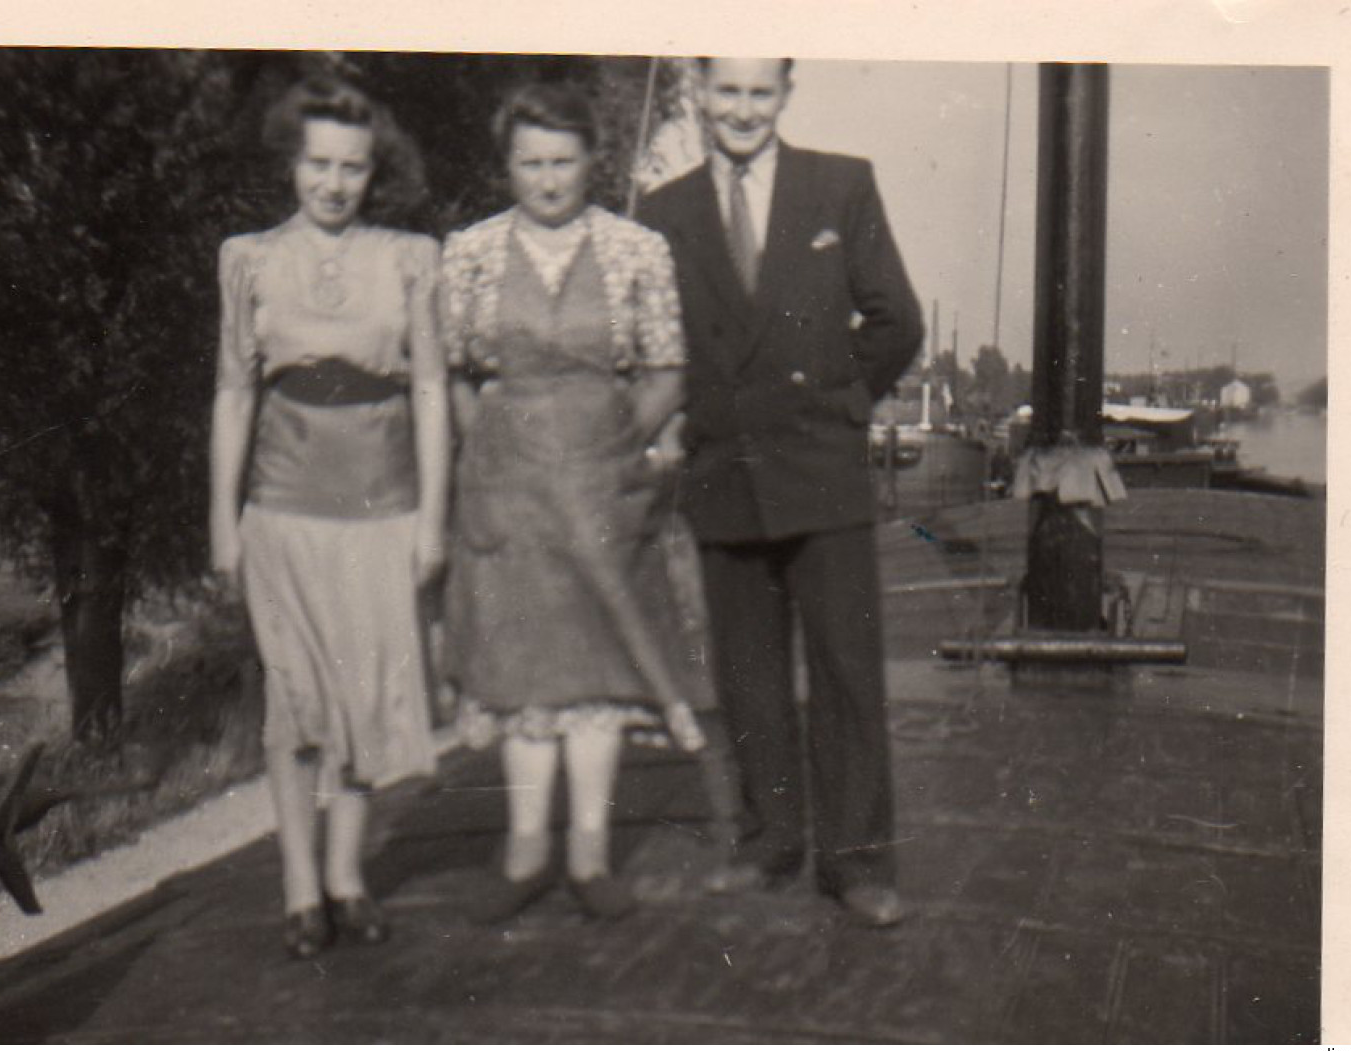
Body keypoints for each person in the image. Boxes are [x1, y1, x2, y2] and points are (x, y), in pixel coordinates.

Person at [637, 58, 924, 927]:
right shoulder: (664, 210)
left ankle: (857, 863)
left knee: (845, 669)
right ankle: (769, 842)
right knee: (747, 671)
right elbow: (658, 344)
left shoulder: (840, 185)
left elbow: (896, 320)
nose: (742, 110)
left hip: (820, 470)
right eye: (726, 92)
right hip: (725, 470)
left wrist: (838, 406)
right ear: (698, 96)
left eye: (761, 93)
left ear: (786, 97)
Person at [440, 81, 709, 923]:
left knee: (595, 669)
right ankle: (525, 848)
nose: (547, 179)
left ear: (592, 161)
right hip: (507, 491)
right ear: (506, 165)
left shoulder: (636, 250)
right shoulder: (471, 251)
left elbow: (667, 369)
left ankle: (589, 851)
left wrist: (614, 440)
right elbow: (451, 370)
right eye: (530, 163)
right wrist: (486, 449)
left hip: (603, 484)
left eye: (562, 162)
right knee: (524, 675)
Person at [208, 76, 448, 960]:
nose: (335, 183)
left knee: (362, 702)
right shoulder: (249, 259)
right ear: (292, 162)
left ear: (371, 171)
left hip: (384, 512)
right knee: (296, 702)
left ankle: (347, 877)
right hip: (281, 511)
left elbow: (428, 387)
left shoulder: (412, 257)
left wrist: (432, 518)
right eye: (319, 164)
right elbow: (233, 392)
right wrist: (220, 522)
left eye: (352, 167)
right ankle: (299, 888)